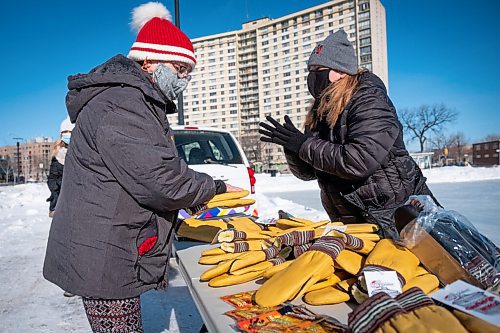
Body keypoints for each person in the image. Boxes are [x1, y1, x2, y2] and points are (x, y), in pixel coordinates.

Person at [43, 3, 240, 332]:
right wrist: (214, 188)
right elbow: (161, 179)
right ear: (149, 61)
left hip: (107, 246)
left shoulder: (132, 100)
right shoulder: (124, 104)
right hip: (105, 257)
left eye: (187, 72)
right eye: (179, 69)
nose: (183, 80)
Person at [259, 30, 436, 239]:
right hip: (353, 221)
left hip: (397, 216)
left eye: (319, 69)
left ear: (341, 71)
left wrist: (304, 145)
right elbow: (308, 173)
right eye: (310, 69)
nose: (312, 76)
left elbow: (359, 160)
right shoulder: (320, 111)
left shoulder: (368, 100)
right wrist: (292, 146)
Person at [46, 116, 74, 219]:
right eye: (65, 132)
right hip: (61, 199)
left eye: (70, 131)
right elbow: (52, 178)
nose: (67, 134)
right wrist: (56, 190)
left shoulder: (79, 151)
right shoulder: (57, 154)